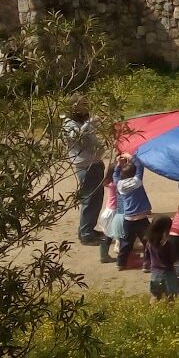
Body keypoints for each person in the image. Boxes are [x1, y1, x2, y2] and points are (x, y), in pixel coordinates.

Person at [62, 94, 105, 245]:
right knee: (90, 199)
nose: (86, 106)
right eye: (83, 103)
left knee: (96, 199)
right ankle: (86, 234)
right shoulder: (68, 123)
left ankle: (87, 229)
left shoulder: (83, 120)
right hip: (86, 165)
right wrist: (89, 124)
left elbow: (90, 136)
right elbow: (77, 137)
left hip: (94, 162)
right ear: (74, 106)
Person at [114, 153, 152, 272]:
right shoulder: (137, 182)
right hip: (141, 219)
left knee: (126, 243)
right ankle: (147, 264)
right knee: (148, 242)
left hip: (128, 219)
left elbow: (115, 176)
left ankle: (120, 263)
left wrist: (118, 165)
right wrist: (130, 156)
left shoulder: (120, 185)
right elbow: (140, 165)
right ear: (134, 173)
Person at [145, 216, 179, 303]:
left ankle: (152, 311)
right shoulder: (167, 243)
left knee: (155, 295)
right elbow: (173, 259)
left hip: (155, 273)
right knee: (171, 296)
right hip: (168, 273)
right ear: (166, 229)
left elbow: (147, 256)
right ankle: (171, 313)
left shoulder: (149, 241)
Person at [96, 161, 122, 264]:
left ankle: (104, 255)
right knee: (111, 234)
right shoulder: (116, 184)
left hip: (109, 211)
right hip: (113, 212)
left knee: (110, 234)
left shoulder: (110, 183)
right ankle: (105, 256)